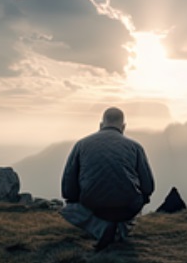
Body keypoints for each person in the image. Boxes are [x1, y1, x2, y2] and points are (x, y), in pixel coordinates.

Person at [61, 107, 155, 251]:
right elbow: (148, 186)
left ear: (100, 125)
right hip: (127, 207)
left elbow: (68, 186)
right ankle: (120, 229)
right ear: (123, 127)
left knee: (68, 209)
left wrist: (74, 198)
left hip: (94, 205)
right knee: (138, 199)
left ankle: (99, 227)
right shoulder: (135, 147)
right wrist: (142, 197)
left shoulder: (81, 144)